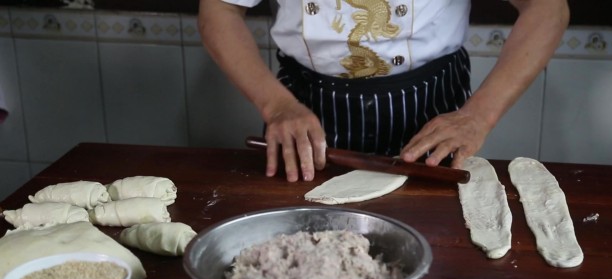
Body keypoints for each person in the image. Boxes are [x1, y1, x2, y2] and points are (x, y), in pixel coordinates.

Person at [198, 0, 569, 182]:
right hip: (304, 107)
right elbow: (218, 10)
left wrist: (477, 117)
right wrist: (276, 105)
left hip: (431, 107)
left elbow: (547, 7)